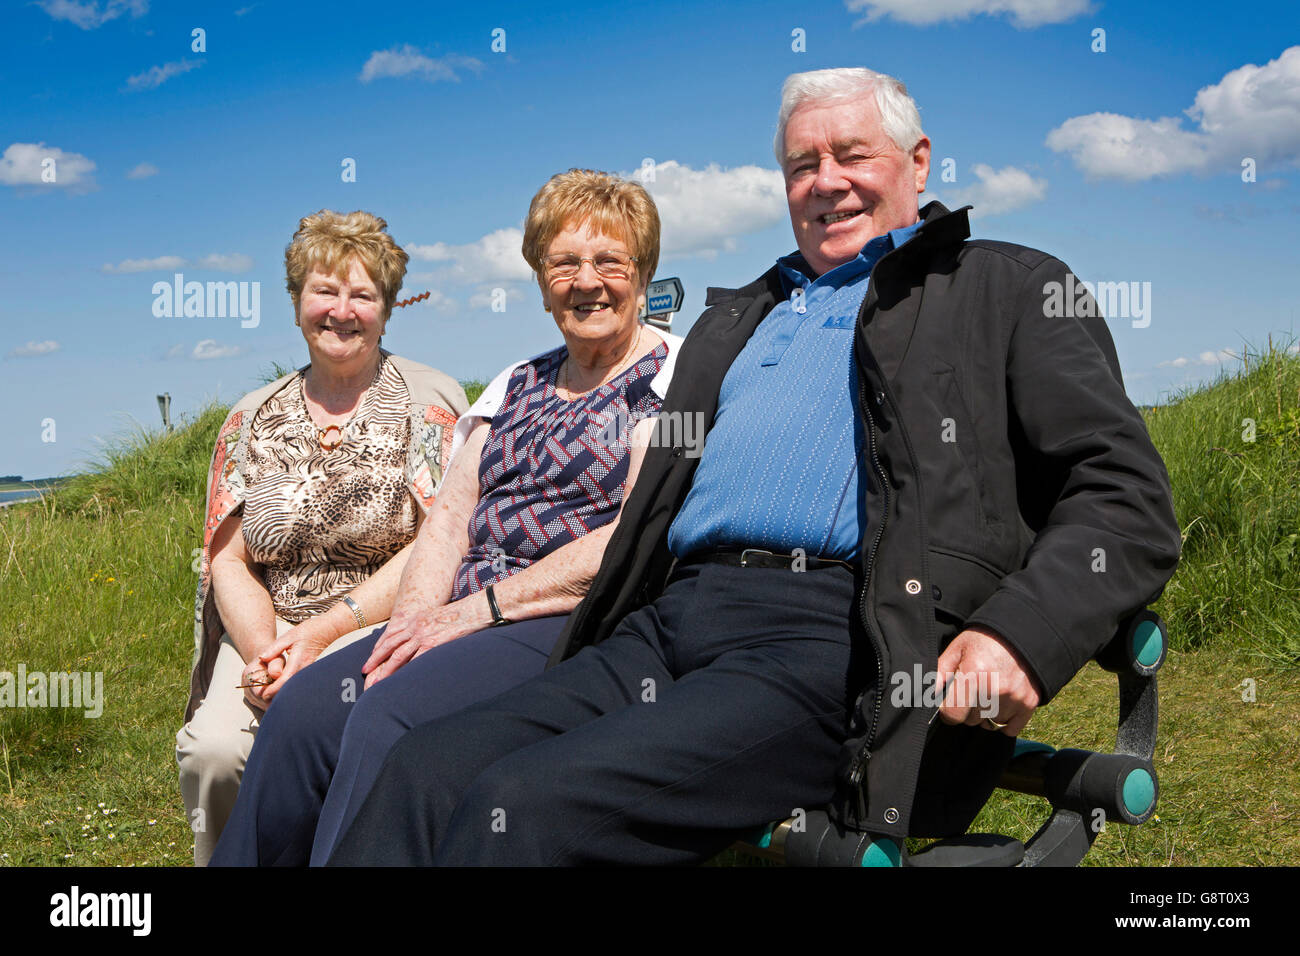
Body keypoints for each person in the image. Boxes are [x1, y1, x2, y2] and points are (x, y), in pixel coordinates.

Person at [323, 67, 1182, 867]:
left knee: (524, 806)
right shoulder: (744, 317)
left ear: (918, 163)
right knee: (424, 768)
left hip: (838, 643)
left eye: (853, 154)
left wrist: (1018, 634)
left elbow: (1123, 495)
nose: (827, 180)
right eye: (803, 164)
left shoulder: (1006, 289)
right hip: (668, 622)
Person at [208, 169, 684, 866]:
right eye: (564, 263)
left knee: (385, 714)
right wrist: (411, 623)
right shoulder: (518, 380)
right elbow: (450, 518)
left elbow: (630, 535)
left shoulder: (670, 378)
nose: (588, 281)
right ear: (540, 277)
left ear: (642, 273)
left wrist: (472, 613)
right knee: (307, 712)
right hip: (464, 609)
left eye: (610, 261)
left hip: (564, 620)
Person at [176, 209, 468, 865]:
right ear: (297, 301)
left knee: (358, 742)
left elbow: (435, 545)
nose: (341, 312)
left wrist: (322, 637)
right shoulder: (251, 416)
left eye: (362, 295)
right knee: (216, 751)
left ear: (387, 310)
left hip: (380, 623)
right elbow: (227, 556)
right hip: (270, 627)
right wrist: (272, 655)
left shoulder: (430, 402)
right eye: (324, 292)